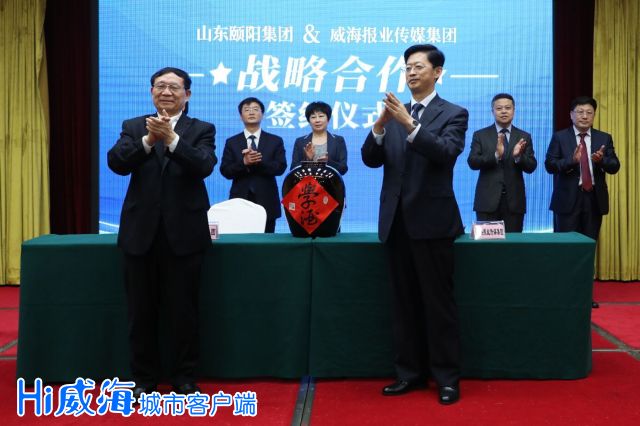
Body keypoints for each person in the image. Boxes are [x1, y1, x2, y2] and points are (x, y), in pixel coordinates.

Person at [361, 44, 468, 405]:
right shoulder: (394, 114)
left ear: (437, 72)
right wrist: (380, 126)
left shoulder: (454, 113)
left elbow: (446, 153)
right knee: (403, 304)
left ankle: (447, 378)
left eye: (418, 67)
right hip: (396, 223)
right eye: (407, 67)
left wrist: (409, 124)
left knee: (438, 304)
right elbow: (370, 159)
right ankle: (408, 373)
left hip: (433, 223)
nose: (410, 73)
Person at [107, 67, 217, 398]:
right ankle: (144, 379)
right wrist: (148, 140)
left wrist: (171, 139)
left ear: (188, 94)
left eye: (174, 87)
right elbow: (117, 162)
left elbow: (204, 165)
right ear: (151, 91)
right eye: (160, 86)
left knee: (184, 312)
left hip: (184, 235)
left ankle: (184, 378)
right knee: (141, 312)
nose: (166, 92)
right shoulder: (134, 126)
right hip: (140, 235)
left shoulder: (202, 129)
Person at [545, 96, 620, 308]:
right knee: (566, 250)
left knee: (588, 250)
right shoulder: (560, 137)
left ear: (594, 115)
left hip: (593, 200)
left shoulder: (604, 138)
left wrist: (601, 161)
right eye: (580, 112)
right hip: (567, 200)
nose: (584, 116)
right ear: (571, 115)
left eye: (589, 112)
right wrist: (572, 161)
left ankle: (585, 296)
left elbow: (615, 166)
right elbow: (550, 165)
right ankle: (563, 294)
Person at [467, 93, 537, 232]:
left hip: (514, 203)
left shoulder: (524, 136)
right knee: (487, 244)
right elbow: (472, 162)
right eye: (499, 108)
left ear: (514, 110)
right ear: (492, 111)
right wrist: (496, 155)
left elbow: (531, 166)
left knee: (513, 243)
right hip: (487, 201)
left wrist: (518, 157)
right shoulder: (480, 135)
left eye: (508, 108)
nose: (504, 111)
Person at [220, 97, 287, 233]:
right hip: (240, 199)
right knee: (240, 239)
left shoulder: (275, 140)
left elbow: (280, 168)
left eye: (255, 109)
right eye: (247, 110)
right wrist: (244, 163)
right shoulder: (232, 142)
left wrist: (258, 162)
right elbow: (225, 170)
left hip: (267, 199)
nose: (251, 112)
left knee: (267, 241)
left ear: (262, 114)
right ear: (241, 116)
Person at [290, 101, 348, 175]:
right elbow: (293, 169)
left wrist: (328, 162)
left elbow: (343, 169)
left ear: (328, 119)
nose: (317, 120)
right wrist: (307, 160)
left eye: (321, 116)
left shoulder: (338, 140)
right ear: (309, 121)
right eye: (313, 117)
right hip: (307, 182)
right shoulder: (300, 141)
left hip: (331, 181)